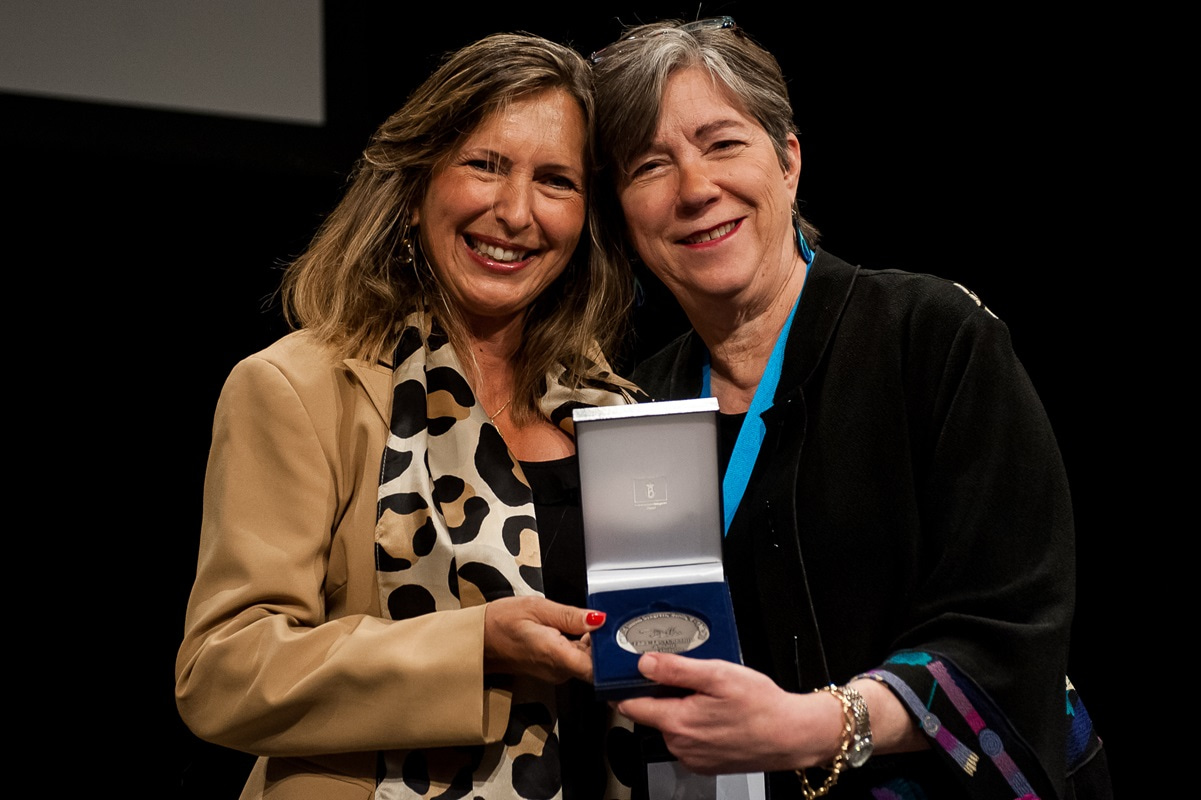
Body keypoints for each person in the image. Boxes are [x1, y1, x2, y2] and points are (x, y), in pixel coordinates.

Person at [589, 17, 1111, 799]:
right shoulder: (636, 404)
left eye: (723, 143)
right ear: (623, 215)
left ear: (788, 162)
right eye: (650, 165)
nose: (694, 188)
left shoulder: (931, 336)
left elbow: (1013, 621)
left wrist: (818, 725)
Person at [175, 32, 647, 800]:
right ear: (418, 180)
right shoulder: (298, 387)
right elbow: (222, 671)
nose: (515, 212)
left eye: (555, 180)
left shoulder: (616, 409)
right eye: (484, 164)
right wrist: (474, 648)